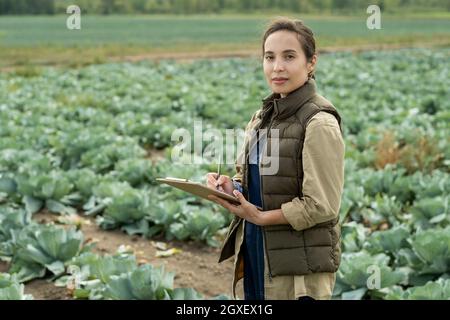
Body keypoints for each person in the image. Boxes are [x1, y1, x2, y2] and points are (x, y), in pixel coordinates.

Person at [206, 17, 345, 300]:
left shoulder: (319, 122)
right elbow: (252, 183)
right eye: (269, 57)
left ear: (311, 62)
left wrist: (260, 216)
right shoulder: (262, 118)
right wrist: (231, 188)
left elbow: (322, 206)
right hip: (258, 253)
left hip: (298, 270)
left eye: (289, 56)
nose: (277, 67)